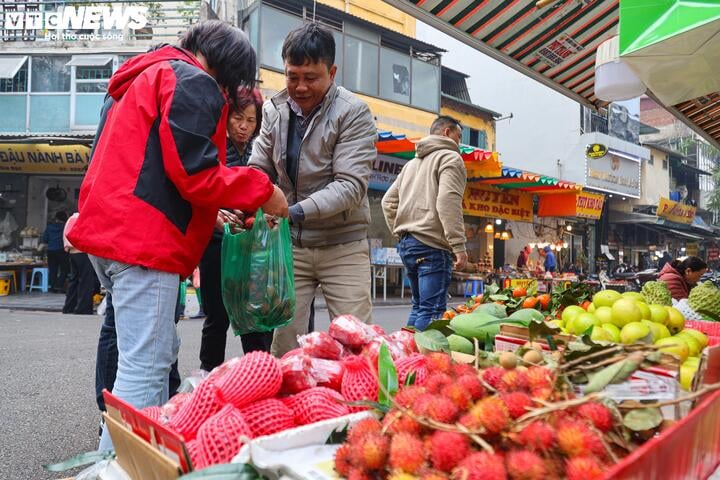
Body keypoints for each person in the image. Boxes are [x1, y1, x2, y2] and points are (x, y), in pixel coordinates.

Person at [67, 21, 288, 450]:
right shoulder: (192, 79)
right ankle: (117, 469)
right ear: (226, 69)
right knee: (144, 368)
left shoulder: (144, 76)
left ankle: (131, 460)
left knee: (150, 354)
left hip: (112, 234)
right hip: (143, 242)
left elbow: (155, 164)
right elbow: (196, 172)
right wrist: (264, 191)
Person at [249, 23, 376, 357]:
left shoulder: (353, 112)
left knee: (357, 346)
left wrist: (291, 211)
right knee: (284, 344)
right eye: (292, 77)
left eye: (311, 77)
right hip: (291, 247)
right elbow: (257, 168)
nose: (300, 87)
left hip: (342, 245)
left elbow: (349, 186)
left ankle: (357, 406)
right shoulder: (273, 110)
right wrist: (246, 199)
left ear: (331, 72)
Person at [198, 87, 275, 371]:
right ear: (226, 118)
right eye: (238, 118)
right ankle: (209, 374)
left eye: (251, 121)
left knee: (253, 315)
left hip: (250, 244)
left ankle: (258, 373)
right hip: (217, 242)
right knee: (217, 316)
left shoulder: (259, 150)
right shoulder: (214, 147)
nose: (244, 126)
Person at [381, 115, 468, 331]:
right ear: (447, 132)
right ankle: (421, 363)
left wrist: (402, 233)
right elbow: (448, 201)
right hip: (432, 246)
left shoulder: (411, 164)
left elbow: (387, 202)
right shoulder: (450, 158)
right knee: (431, 312)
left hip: (408, 245)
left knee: (419, 307)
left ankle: (405, 358)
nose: (460, 143)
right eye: (459, 136)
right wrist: (458, 246)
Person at [62, 213, 98, 314]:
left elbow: (66, 236)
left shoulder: (71, 219)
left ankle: (68, 307)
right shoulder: (82, 218)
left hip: (72, 253)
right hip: (82, 252)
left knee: (74, 280)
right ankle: (83, 308)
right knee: (86, 281)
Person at [43, 211, 69, 292]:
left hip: (51, 250)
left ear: (56, 218)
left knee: (53, 269)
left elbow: (45, 239)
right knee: (64, 269)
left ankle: (53, 287)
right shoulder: (65, 227)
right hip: (62, 250)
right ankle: (60, 286)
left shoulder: (49, 227)